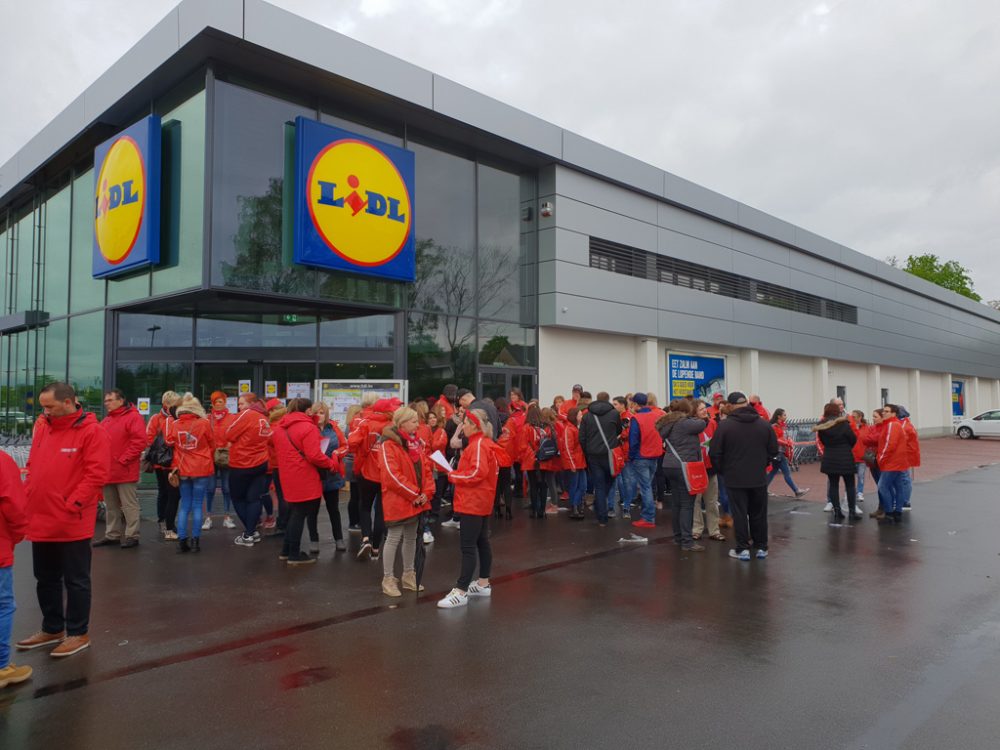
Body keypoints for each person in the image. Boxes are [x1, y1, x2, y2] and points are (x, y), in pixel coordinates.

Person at [16, 382, 110, 658]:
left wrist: (74, 504)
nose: (44, 411)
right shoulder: (44, 426)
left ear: (69, 402)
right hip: (41, 516)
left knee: (76, 580)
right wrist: (27, 495)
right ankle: (52, 627)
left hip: (72, 519)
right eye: (43, 406)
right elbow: (34, 464)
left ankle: (78, 633)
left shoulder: (92, 431)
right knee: (45, 578)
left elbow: (96, 474)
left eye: (49, 406)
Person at [437, 409, 499, 609]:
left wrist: (454, 476)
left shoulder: (479, 445)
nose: (462, 426)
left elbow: (476, 473)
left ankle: (461, 590)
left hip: (474, 501)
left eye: (465, 423)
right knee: (481, 541)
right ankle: (482, 583)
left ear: (474, 425)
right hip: (479, 500)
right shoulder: (481, 443)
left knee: (468, 546)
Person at [709, 392, 777, 561]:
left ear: (730, 406)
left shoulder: (725, 426)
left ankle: (743, 548)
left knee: (739, 513)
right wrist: (762, 464)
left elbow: (715, 453)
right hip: (758, 477)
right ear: (747, 404)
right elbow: (773, 451)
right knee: (758, 512)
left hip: (734, 477)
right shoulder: (764, 424)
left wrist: (723, 470)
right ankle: (761, 546)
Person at [272, 398, 338, 565]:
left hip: (287, 474)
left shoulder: (280, 427)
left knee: (294, 512)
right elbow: (314, 455)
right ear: (308, 411)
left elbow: (271, 444)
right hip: (304, 476)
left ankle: (286, 551)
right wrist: (331, 464)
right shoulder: (308, 428)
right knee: (299, 514)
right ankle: (294, 554)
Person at [378, 407, 434, 596]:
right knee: (394, 538)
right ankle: (388, 578)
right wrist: (415, 494)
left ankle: (409, 574)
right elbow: (391, 476)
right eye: (413, 421)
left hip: (415, 499)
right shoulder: (388, 444)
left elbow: (426, 469)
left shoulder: (417, 443)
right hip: (398, 500)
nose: (417, 425)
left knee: (411, 538)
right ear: (401, 423)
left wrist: (427, 492)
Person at [348, 398, 400, 559]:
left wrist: (362, 450)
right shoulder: (393, 426)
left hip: (367, 473)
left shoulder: (365, 423)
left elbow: (351, 442)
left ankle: (366, 539)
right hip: (386, 473)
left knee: (365, 507)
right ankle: (376, 549)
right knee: (381, 511)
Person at [94, 388, 146, 549]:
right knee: (111, 506)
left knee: (129, 505)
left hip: (125, 470)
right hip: (108, 470)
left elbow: (139, 442)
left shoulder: (133, 417)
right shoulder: (108, 420)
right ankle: (112, 535)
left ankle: (132, 535)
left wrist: (123, 460)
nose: (106, 403)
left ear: (121, 400)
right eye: (105, 401)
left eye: (110, 400)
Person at [165, 394, 216, 552]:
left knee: (185, 505)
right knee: (197, 505)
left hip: (183, 468)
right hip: (201, 467)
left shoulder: (175, 424)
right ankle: (195, 540)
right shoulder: (204, 423)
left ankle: (182, 540)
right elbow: (212, 443)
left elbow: (169, 441)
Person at [657, 399, 707, 551]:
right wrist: (704, 416)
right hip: (684, 466)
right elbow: (703, 423)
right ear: (686, 410)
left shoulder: (668, 424)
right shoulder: (684, 423)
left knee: (677, 503)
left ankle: (678, 537)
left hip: (669, 465)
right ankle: (687, 542)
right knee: (687, 504)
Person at [225, 393, 272, 547]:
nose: (239, 406)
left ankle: (249, 533)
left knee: (238, 498)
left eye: (242, 403)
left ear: (251, 403)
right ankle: (251, 533)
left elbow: (229, 434)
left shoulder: (247, 415)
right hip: (260, 463)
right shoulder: (264, 418)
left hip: (241, 463)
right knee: (254, 499)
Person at [0, 450, 30, 689]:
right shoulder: (2, 461)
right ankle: (1, 667)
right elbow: (15, 506)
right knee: (3, 605)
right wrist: (17, 534)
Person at [578, 391, 622, 526]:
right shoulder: (614, 414)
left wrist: (588, 451)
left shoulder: (587, 416)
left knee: (599, 485)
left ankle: (601, 517)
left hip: (594, 455)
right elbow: (619, 431)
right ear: (608, 400)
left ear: (596, 399)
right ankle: (600, 506)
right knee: (610, 481)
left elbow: (582, 437)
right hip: (610, 454)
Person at [309, 401, 347, 553]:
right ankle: (313, 540)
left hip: (332, 473)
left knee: (333, 509)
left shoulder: (334, 428)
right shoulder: (309, 428)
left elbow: (345, 445)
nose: (319, 415)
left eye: (322, 412)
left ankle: (339, 539)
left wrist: (337, 453)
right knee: (312, 510)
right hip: (313, 474)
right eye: (316, 412)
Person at [813, 403, 859, 523]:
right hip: (845, 457)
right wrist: (845, 446)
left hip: (830, 456)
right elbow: (853, 439)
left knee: (833, 485)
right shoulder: (843, 423)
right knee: (850, 485)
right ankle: (852, 511)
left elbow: (822, 441)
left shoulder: (821, 425)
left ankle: (837, 511)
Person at [147, 391, 182, 540]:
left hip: (172, 461)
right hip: (161, 463)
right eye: (174, 404)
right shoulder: (157, 418)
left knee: (171, 494)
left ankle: (168, 521)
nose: (177, 407)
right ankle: (163, 520)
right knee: (164, 492)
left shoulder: (176, 418)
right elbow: (148, 438)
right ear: (165, 404)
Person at [626, 392, 663, 529]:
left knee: (645, 487)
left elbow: (633, 440)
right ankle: (649, 515)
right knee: (648, 486)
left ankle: (648, 517)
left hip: (641, 456)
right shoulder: (657, 416)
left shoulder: (636, 419)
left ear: (635, 404)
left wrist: (631, 456)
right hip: (655, 455)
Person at [691, 399, 725, 543]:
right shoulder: (691, 426)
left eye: (705, 408)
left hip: (710, 467)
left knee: (711, 501)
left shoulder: (712, 423)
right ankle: (696, 530)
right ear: (694, 412)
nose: (705, 411)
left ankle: (714, 530)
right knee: (696, 501)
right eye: (701, 409)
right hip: (696, 468)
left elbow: (717, 443)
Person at [520, 405, 560, 518]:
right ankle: (542, 511)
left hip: (531, 460)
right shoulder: (547, 427)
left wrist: (532, 455)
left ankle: (534, 510)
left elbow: (522, 446)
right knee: (543, 485)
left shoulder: (526, 427)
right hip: (545, 459)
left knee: (533, 485)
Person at [205, 391, 236, 530]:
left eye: (221, 401)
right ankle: (208, 517)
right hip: (211, 457)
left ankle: (227, 516)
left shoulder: (232, 418)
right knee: (210, 488)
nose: (219, 404)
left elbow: (235, 435)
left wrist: (229, 445)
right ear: (212, 403)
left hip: (225, 456)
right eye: (216, 402)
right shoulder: (207, 418)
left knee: (227, 488)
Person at [875, 404, 909, 522]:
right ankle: (897, 512)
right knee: (898, 486)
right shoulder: (895, 424)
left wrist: (881, 458)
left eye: (887, 411)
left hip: (891, 463)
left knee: (882, 486)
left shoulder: (891, 425)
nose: (884, 413)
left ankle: (889, 512)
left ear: (894, 414)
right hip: (898, 462)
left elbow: (890, 444)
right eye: (883, 411)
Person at [766, 409, 808, 499]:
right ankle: (796, 491)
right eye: (784, 415)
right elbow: (775, 439)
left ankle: (762, 488)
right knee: (786, 473)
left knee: (774, 471)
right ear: (779, 416)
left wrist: (789, 441)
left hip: (780, 452)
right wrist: (786, 443)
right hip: (778, 452)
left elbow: (783, 437)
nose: (786, 416)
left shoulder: (781, 426)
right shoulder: (775, 426)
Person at [560, 407, 587, 519]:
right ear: (575, 416)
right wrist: (572, 464)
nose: (581, 417)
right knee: (575, 486)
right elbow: (567, 448)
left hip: (579, 462)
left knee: (582, 486)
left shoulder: (574, 428)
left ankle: (576, 505)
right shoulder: (569, 429)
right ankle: (575, 506)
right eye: (580, 415)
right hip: (575, 463)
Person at [897, 406, 921, 511]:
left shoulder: (904, 426)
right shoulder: (905, 424)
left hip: (904, 456)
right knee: (904, 479)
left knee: (905, 479)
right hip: (905, 455)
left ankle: (905, 502)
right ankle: (904, 501)